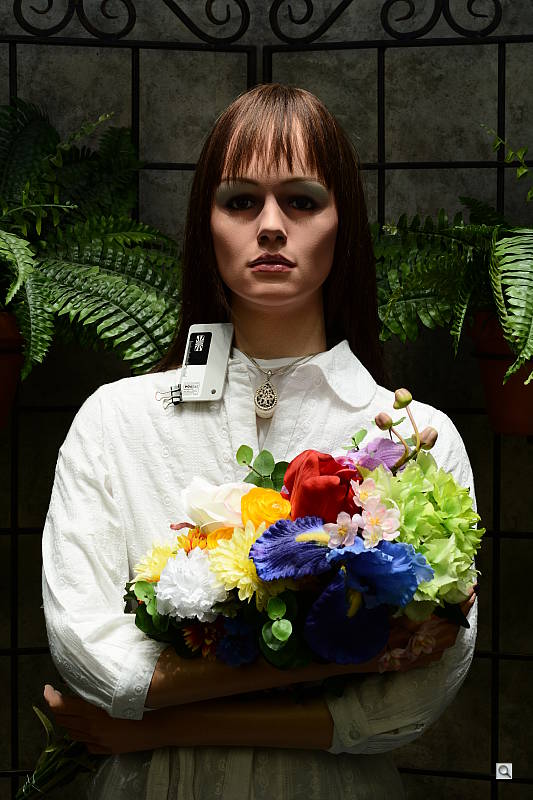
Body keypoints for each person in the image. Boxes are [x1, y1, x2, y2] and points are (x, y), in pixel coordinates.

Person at [42, 84, 478, 800]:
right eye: (241, 201)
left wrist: (160, 727)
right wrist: (350, 659)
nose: (271, 226)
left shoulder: (413, 439)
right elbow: (92, 658)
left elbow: (408, 707)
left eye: (301, 201)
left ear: (342, 222)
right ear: (205, 222)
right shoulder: (115, 422)